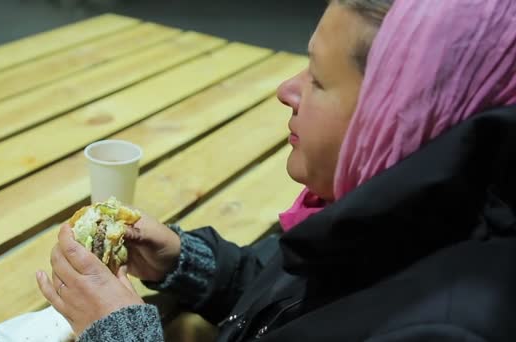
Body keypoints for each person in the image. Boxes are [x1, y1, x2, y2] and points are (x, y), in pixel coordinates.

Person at [36, 0, 516, 340]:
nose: (287, 89)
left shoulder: (445, 326)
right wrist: (186, 262)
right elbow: (297, 305)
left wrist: (120, 335)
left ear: (398, 117)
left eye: (319, 79)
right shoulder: (389, 222)